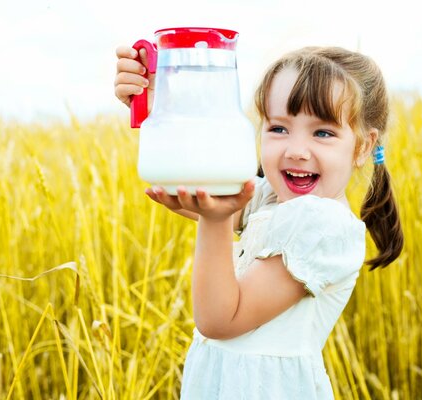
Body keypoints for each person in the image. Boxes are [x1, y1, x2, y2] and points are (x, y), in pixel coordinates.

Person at [114, 44, 403, 399]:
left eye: (323, 133)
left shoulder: (325, 227)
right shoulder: (274, 199)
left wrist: (216, 221)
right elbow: (205, 190)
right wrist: (162, 105)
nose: (296, 149)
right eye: (279, 128)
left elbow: (220, 320)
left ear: (362, 146)